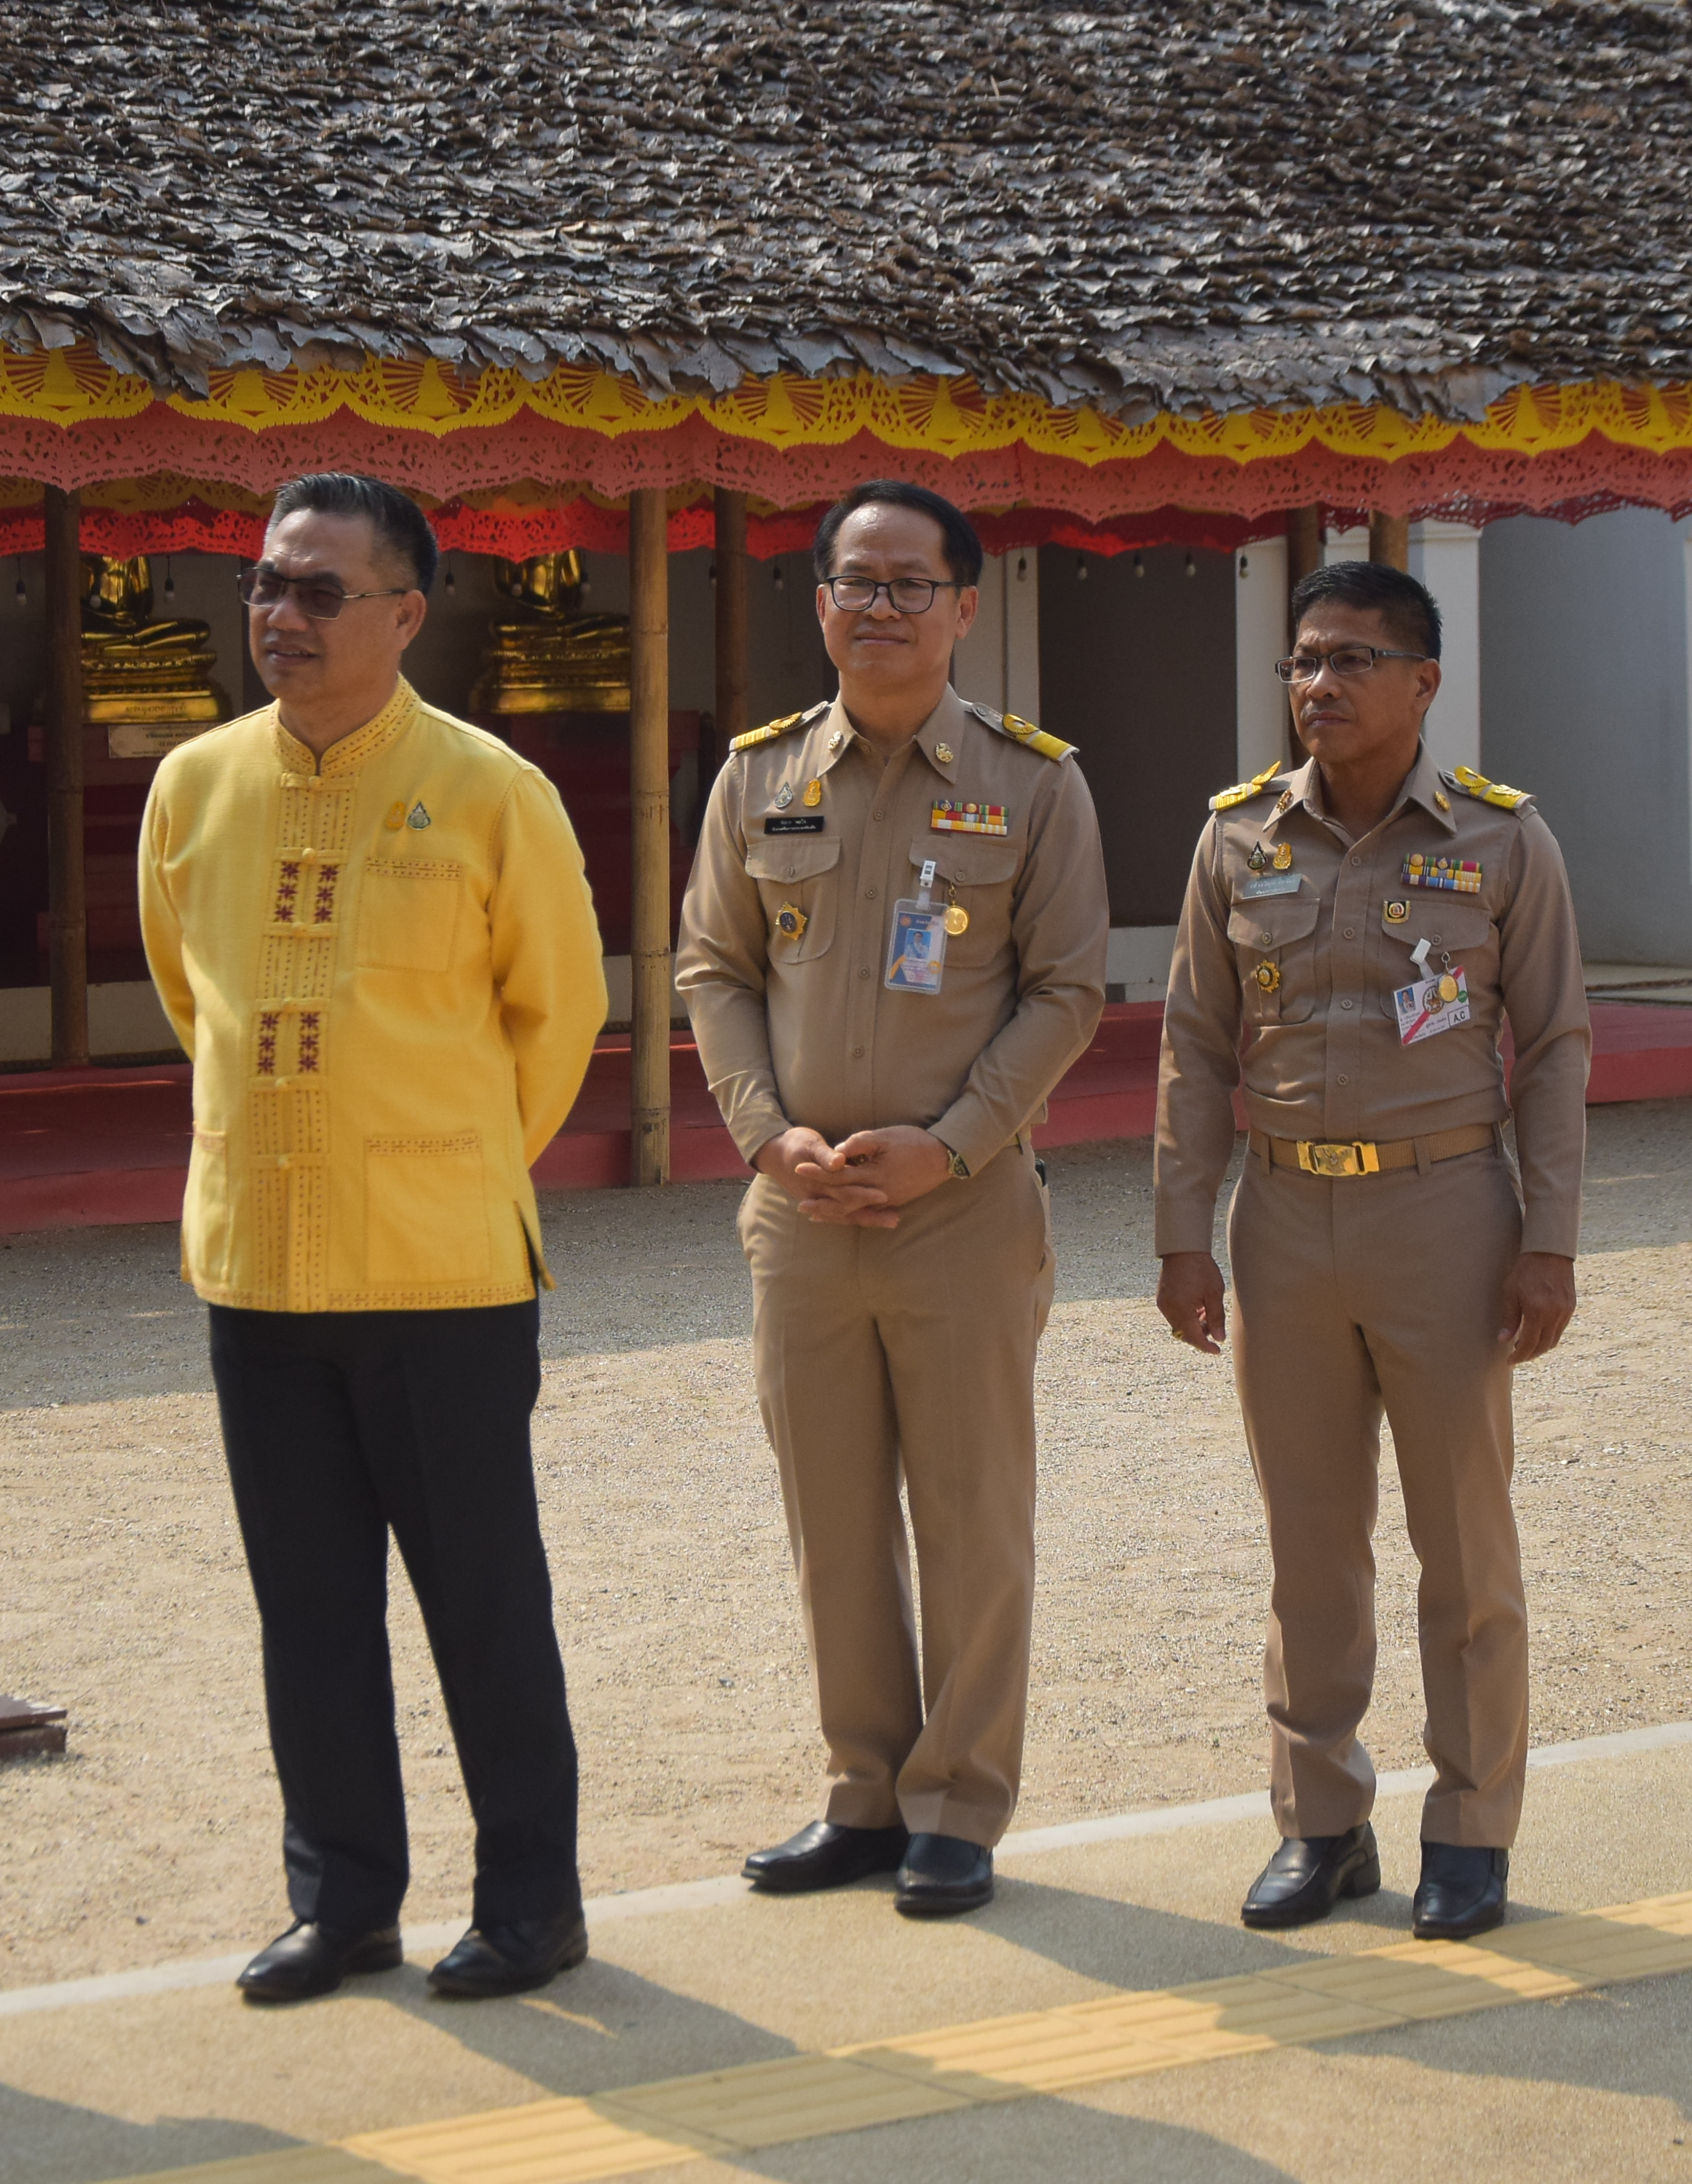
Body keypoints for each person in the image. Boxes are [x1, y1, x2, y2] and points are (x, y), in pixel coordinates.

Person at [138, 473, 608, 2003]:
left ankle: (532, 1902)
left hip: (442, 1271)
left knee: (482, 1598)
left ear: (406, 614)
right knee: (309, 1605)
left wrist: (440, 1157)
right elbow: (187, 996)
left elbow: (560, 1018)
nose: (281, 616)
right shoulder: (194, 786)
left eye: (318, 592)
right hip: (259, 1262)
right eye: (266, 585)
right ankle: (342, 1900)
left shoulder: (490, 791)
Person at [676, 480, 1108, 1918]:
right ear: (818, 603)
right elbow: (713, 973)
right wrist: (763, 1135)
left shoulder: (1033, 783)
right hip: (800, 1215)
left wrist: (958, 1141)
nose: (878, 606)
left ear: (964, 606)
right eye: (854, 582)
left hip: (960, 1210)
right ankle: (863, 1794)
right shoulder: (759, 778)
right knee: (835, 1518)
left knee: (973, 1517)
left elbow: (1064, 992)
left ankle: (957, 1807)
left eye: (909, 583)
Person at [1153, 558, 1586, 1944]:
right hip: (1283, 1220)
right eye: (1301, 662)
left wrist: (1551, 1243)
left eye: (1348, 661)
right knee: (1309, 1545)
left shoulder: (1503, 843)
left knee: (1462, 1543)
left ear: (1424, 685)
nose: (1316, 687)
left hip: (1445, 1214)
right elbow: (1193, 1046)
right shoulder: (1237, 840)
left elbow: (1557, 1046)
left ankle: (1471, 1830)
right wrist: (1184, 1235)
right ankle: (1323, 1824)